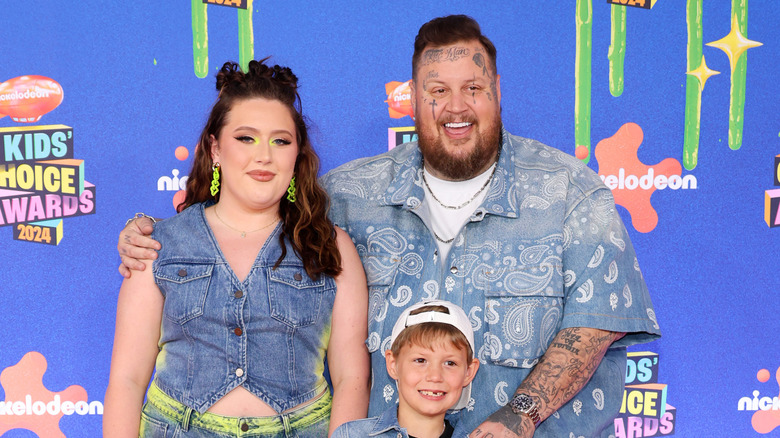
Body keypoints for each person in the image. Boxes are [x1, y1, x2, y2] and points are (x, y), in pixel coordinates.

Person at [117, 15, 661, 437]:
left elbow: (597, 324)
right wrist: (147, 231)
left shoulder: (572, 193)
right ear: (413, 97)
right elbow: (251, 213)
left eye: (473, 88)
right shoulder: (348, 196)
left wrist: (520, 416)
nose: (456, 106)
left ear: (497, 88)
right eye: (436, 89)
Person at [104, 59, 370, 437]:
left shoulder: (330, 246)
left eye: (280, 140)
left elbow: (352, 380)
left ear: (296, 157)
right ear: (215, 148)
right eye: (246, 138)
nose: (264, 155)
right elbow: (127, 381)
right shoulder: (157, 245)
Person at [333, 300, 479, 438]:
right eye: (420, 360)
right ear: (392, 364)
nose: (435, 376)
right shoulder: (350, 435)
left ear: (468, 372)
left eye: (450, 363)